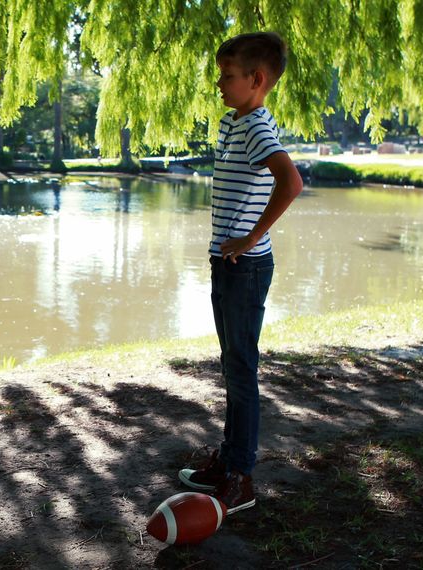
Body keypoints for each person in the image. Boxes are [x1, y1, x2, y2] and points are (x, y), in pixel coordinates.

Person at [177, 31, 303, 514]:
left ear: (257, 79)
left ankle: (242, 478)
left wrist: (252, 237)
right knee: (231, 366)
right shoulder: (235, 122)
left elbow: (290, 183)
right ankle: (228, 461)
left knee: (242, 369)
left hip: (246, 266)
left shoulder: (257, 129)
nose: (219, 84)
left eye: (228, 76)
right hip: (226, 261)